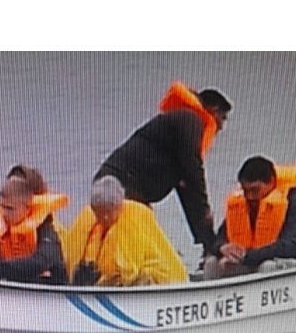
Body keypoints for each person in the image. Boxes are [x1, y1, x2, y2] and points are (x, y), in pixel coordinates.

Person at [94, 82, 232, 253]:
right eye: (222, 118)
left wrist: (207, 238)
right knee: (133, 246)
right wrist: (207, 225)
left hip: (122, 188)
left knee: (145, 245)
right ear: (213, 110)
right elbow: (192, 172)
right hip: (116, 188)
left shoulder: (182, 122)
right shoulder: (191, 120)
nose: (221, 127)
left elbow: (188, 188)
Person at [204, 156, 296, 279]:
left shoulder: (294, 205)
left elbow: (291, 246)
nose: (250, 197)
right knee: (212, 263)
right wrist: (223, 247)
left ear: (272, 182)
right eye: (245, 191)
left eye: (255, 190)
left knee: (267, 267)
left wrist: (246, 256)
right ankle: (212, 291)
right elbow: (220, 237)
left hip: (292, 263)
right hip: (251, 261)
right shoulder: (241, 206)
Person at [64, 176, 188, 286]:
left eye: (108, 212)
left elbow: (127, 270)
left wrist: (99, 282)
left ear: (118, 204)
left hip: (158, 278)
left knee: (144, 276)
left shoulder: (133, 218)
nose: (104, 218)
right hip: (94, 282)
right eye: (99, 213)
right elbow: (69, 252)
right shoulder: (88, 219)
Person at [0, 177, 68, 284]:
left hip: (43, 288)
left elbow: (41, 261)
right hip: (7, 284)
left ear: (27, 209)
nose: (4, 213)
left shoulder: (45, 229)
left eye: (10, 208)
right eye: (2, 207)